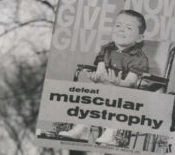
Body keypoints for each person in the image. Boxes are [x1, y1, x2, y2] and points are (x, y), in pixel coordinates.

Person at [60, 9, 151, 146]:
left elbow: (131, 82)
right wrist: (97, 78)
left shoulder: (138, 58)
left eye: (128, 28)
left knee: (117, 97)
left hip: (127, 94)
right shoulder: (107, 49)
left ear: (139, 38)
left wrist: (118, 82)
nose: (121, 30)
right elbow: (100, 71)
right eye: (118, 25)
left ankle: (112, 133)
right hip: (106, 89)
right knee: (91, 95)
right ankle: (81, 128)